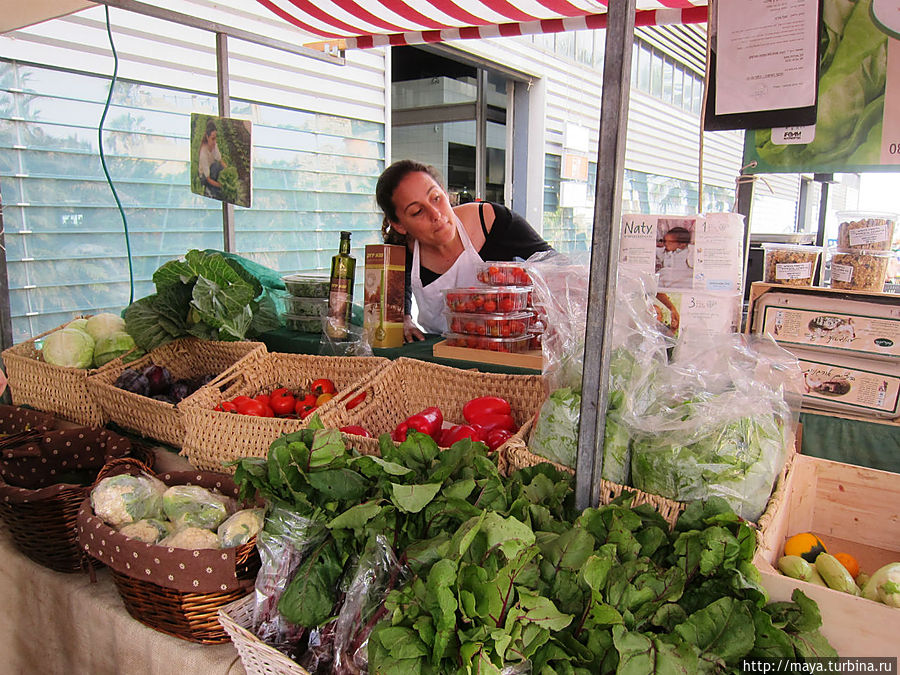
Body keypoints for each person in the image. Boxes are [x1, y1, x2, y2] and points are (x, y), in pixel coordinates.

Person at [376, 159, 552, 342]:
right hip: (442, 356)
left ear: (444, 192)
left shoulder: (491, 220)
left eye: (436, 198)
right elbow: (395, 300)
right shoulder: (401, 250)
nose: (436, 215)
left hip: (504, 349)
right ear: (399, 225)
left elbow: (554, 264)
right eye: (417, 211)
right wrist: (404, 319)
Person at [198, 119, 227, 200]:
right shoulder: (203, 153)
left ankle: (215, 187)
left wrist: (228, 170)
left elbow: (220, 160)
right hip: (205, 176)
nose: (215, 141)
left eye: (215, 138)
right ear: (207, 137)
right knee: (216, 166)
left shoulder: (214, 145)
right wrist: (221, 186)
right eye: (212, 138)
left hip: (212, 169)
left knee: (219, 165)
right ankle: (209, 190)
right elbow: (208, 178)